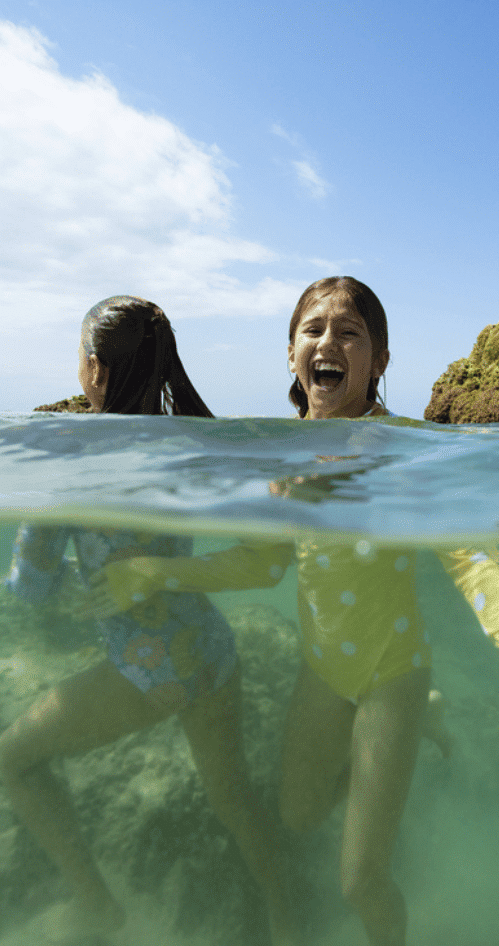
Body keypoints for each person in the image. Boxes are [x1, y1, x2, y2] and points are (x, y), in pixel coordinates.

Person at [84, 279, 499, 946]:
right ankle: (426, 721)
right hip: (323, 674)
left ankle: (412, 716)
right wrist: (156, 572)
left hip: (391, 672)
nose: (328, 343)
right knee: (300, 815)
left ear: (381, 361)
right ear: (290, 355)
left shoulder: (404, 450)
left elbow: (470, 554)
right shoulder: (280, 454)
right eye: (312, 330)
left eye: (349, 333)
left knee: (360, 881)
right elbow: (262, 563)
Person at [0, 297, 301, 946]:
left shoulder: (66, 458)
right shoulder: (191, 443)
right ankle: (287, 917)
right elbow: (262, 546)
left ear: (94, 370)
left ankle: (95, 904)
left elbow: (32, 588)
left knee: (11, 762)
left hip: (147, 671)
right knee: (235, 802)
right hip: (211, 653)